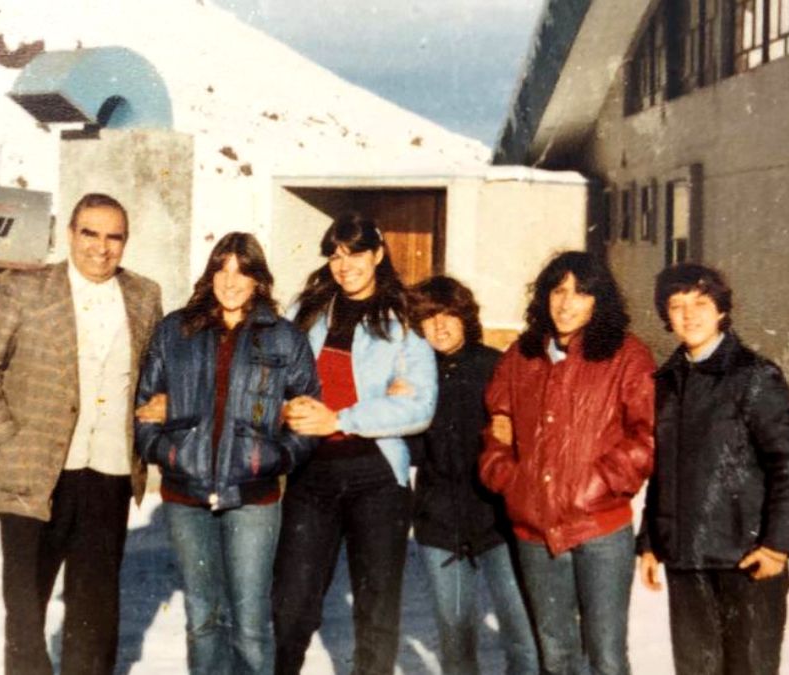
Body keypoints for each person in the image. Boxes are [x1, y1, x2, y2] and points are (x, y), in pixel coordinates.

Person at [0, 193, 163, 675]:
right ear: (71, 234)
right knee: (26, 611)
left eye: (114, 237)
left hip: (109, 472)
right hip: (34, 474)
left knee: (95, 611)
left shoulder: (144, 295)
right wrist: (8, 436)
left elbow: (153, 375)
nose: (101, 247)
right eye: (90, 233)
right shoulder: (27, 290)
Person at [134, 232, 320, 674]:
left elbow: (308, 416)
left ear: (259, 279)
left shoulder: (283, 338)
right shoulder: (176, 331)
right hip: (186, 498)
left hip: (253, 500)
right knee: (203, 620)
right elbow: (144, 409)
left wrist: (277, 459)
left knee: (251, 624)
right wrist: (168, 454)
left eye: (243, 270)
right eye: (222, 268)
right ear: (210, 273)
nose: (231, 281)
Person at [271, 213, 438, 675]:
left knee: (376, 610)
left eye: (356, 254)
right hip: (312, 474)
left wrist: (341, 418)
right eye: (336, 255)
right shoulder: (305, 312)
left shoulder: (402, 321)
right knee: (291, 605)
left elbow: (420, 406)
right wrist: (283, 408)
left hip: (376, 477)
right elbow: (275, 377)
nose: (345, 266)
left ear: (378, 255)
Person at [479, 250, 655, 675]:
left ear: (599, 301)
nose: (566, 302)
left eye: (580, 292)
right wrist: (510, 479)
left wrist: (595, 485)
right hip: (535, 531)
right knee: (555, 653)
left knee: (606, 656)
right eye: (557, 291)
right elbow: (495, 427)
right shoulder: (521, 356)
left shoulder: (627, 356)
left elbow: (646, 436)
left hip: (600, 529)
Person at [637, 263, 789, 675]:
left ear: (721, 311)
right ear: (666, 316)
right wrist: (650, 542)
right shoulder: (666, 382)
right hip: (687, 561)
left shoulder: (754, 376)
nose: (688, 315)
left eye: (700, 303)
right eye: (676, 306)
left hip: (747, 561)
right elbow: (664, 471)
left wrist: (776, 545)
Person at [406, 275, 538, 675]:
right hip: (440, 526)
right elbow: (411, 453)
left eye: (448, 315)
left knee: (523, 636)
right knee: (456, 634)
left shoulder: (495, 367)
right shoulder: (414, 374)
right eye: (428, 319)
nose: (440, 326)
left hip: (498, 522)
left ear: (466, 318)